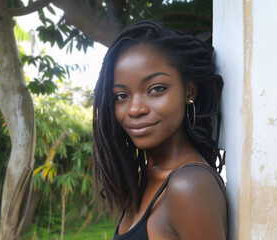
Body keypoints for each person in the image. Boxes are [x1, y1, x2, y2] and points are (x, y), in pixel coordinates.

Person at [92, 20, 228, 240]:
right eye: (122, 96)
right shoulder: (143, 177)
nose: (135, 109)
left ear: (189, 92)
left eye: (156, 89)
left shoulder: (188, 185)